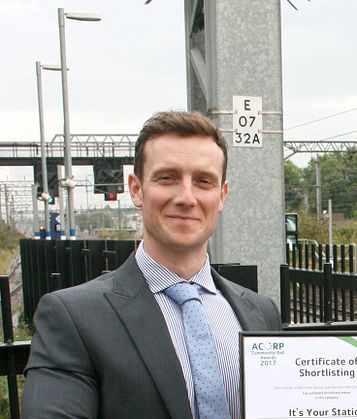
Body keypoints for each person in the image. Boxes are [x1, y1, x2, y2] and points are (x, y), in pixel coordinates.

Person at [23, 111, 281, 419]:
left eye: (203, 181)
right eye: (167, 178)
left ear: (221, 196)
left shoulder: (261, 312)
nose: (186, 197)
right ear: (136, 189)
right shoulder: (73, 317)